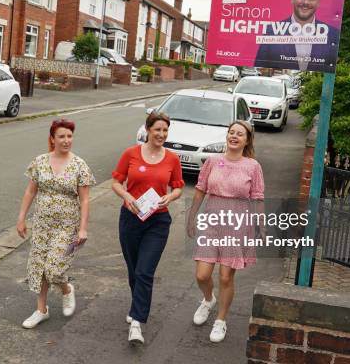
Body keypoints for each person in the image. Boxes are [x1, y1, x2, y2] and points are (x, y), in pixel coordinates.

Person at [186, 120, 264, 343]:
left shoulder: (252, 166)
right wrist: (192, 216)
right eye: (231, 132)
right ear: (227, 136)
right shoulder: (212, 161)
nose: (234, 136)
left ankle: (221, 320)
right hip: (212, 220)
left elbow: (258, 197)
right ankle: (208, 299)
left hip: (237, 224)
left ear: (246, 140)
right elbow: (200, 188)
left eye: (240, 134)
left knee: (225, 276)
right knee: (202, 274)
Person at [111, 112, 185, 344]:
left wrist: (170, 198)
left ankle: (136, 322)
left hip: (158, 221)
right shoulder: (130, 154)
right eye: (157, 130)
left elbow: (178, 187)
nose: (161, 135)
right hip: (131, 218)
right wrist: (127, 196)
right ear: (148, 129)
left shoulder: (172, 158)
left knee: (145, 271)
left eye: (165, 131)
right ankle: (137, 306)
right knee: (134, 271)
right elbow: (116, 182)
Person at [16, 118, 96, 329]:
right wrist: (21, 217)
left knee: (54, 269)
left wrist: (83, 228)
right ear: (53, 138)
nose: (66, 140)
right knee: (40, 267)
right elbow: (30, 191)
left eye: (69, 136)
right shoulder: (40, 161)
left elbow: (85, 199)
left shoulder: (79, 165)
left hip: (67, 226)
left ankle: (66, 289)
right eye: (61, 136)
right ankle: (41, 310)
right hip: (42, 223)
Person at [254, 0, 340, 72]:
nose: (306, 2)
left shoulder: (332, 34)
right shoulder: (271, 31)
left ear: (318, 2)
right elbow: (259, 67)